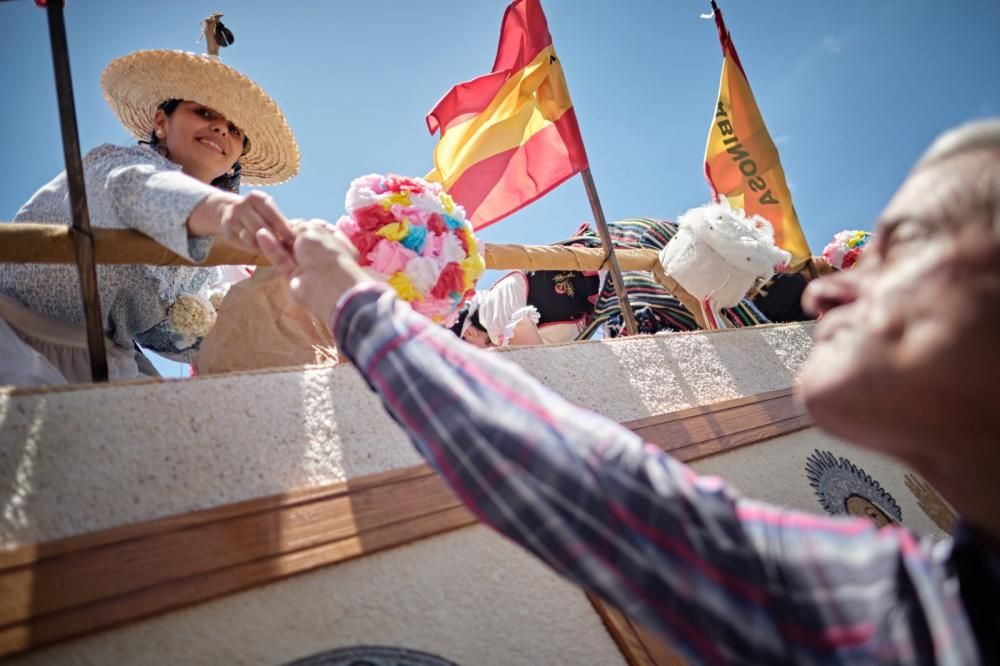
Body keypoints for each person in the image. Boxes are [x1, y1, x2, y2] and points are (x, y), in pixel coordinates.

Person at [259, 118, 1000, 664]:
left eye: (900, 246)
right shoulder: (930, 613)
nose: (824, 295)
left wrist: (358, 307)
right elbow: (610, 502)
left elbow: (608, 504)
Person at [0, 18, 298, 386]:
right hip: (11, 332)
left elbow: (167, 334)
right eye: (203, 112)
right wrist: (224, 211)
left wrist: (271, 308)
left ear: (236, 157)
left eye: (235, 130)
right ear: (161, 121)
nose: (222, 128)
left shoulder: (205, 262)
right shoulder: (115, 164)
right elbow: (138, 190)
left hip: (105, 360)